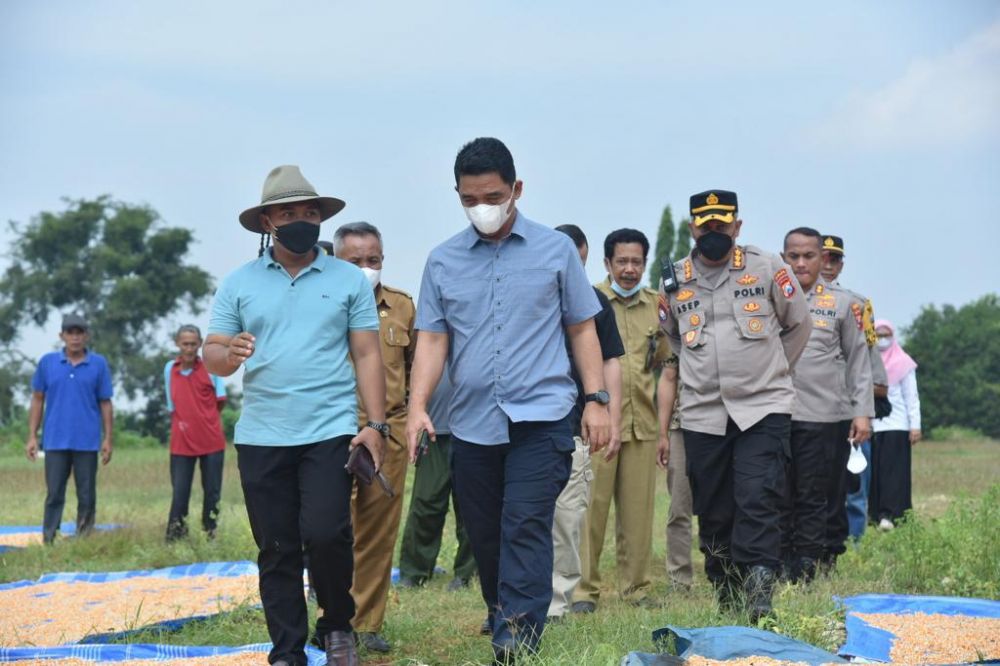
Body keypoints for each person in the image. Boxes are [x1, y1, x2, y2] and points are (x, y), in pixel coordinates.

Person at [404, 137, 610, 663]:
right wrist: (418, 406)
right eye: (470, 200)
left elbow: (581, 328)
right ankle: (502, 611)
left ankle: (518, 634)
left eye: (493, 197)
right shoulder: (443, 261)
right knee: (485, 532)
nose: (483, 208)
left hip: (542, 415)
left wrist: (596, 398)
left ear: (516, 189)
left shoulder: (555, 250)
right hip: (471, 422)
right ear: (457, 195)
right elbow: (432, 340)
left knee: (525, 522)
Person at [204, 165, 387, 666]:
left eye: (310, 212)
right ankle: (287, 649)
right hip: (262, 435)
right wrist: (229, 354)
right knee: (278, 546)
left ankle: (337, 626)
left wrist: (375, 425)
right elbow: (213, 352)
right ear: (268, 222)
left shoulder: (347, 279)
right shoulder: (239, 283)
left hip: (329, 429)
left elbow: (367, 354)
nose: (301, 221)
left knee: (328, 533)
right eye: (289, 214)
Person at [659, 190, 810, 621]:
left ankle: (760, 590)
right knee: (714, 509)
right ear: (693, 228)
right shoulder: (674, 280)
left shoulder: (767, 266)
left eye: (721, 225)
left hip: (763, 407)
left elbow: (798, 324)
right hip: (703, 413)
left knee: (758, 496)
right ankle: (727, 591)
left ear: (737, 227)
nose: (714, 232)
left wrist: (773, 373)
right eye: (705, 225)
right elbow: (673, 338)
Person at [575, 228, 668, 612]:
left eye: (636, 262)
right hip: (598, 426)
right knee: (590, 512)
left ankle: (637, 589)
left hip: (642, 424)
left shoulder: (657, 306)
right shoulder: (589, 301)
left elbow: (663, 362)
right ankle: (583, 591)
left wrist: (663, 430)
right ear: (607, 263)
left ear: (645, 264)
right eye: (622, 262)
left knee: (638, 515)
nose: (629, 269)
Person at [333, 221, 415, 654]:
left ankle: (365, 623)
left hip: (389, 431)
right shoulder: (322, 303)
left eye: (374, 260)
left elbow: (417, 366)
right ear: (334, 261)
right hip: (334, 429)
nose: (366, 268)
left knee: (378, 531)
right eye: (355, 261)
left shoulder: (401, 306)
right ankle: (333, 619)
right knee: (330, 530)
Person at [780, 228, 872, 581]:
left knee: (818, 493)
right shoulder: (770, 297)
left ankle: (815, 562)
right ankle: (783, 561)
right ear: (784, 258)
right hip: (776, 413)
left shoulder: (845, 303)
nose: (801, 263)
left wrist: (861, 413)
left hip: (824, 415)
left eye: (809, 256)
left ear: (822, 259)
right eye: (794, 257)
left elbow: (858, 360)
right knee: (779, 493)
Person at [549, 224, 624, 621]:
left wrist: (609, 414)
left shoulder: (596, 302)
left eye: (577, 263)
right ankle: (508, 604)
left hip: (575, 423)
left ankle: (556, 605)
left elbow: (610, 361)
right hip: (525, 423)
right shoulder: (532, 294)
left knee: (567, 516)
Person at [820, 234, 889, 541]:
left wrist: (863, 404)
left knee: (853, 485)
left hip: (847, 408)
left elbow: (871, 362)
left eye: (834, 259)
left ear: (841, 265)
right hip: (807, 407)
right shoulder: (791, 300)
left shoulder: (857, 304)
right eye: (823, 257)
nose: (827, 265)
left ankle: (854, 546)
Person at [26, 313, 114, 545]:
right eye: (70, 333)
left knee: (87, 493)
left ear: (87, 336)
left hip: (87, 440)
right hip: (55, 439)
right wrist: (32, 436)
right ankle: (49, 538)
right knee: (54, 492)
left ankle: (84, 537)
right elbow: (37, 399)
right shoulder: (48, 363)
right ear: (62, 336)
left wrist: (108, 438)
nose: (75, 338)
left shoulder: (98, 364)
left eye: (79, 333)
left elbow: (105, 402)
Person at [398, 369, 477, 592]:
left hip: (475, 429)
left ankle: (468, 573)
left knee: (471, 506)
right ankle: (414, 571)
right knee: (425, 502)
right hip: (434, 428)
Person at [164, 324, 227, 542]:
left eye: (193, 344)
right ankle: (175, 536)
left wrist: (204, 419)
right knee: (180, 492)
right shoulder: (169, 369)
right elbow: (171, 406)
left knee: (212, 492)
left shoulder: (211, 368)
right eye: (185, 344)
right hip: (181, 442)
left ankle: (210, 534)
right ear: (177, 344)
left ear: (200, 344)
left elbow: (220, 401)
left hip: (211, 441)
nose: (189, 348)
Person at [869, 319, 921, 530]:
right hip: (872, 425)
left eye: (886, 335)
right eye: (878, 335)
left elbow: (911, 396)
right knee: (875, 472)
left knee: (894, 472)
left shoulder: (903, 362)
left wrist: (915, 425)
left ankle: (893, 515)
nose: (882, 339)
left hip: (897, 425)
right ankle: (875, 515)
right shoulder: (867, 361)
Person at [655, 352, 694, 589]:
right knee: (679, 505)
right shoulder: (676, 331)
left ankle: (726, 571)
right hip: (683, 424)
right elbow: (668, 376)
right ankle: (679, 578)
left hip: (732, 423)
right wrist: (663, 433)